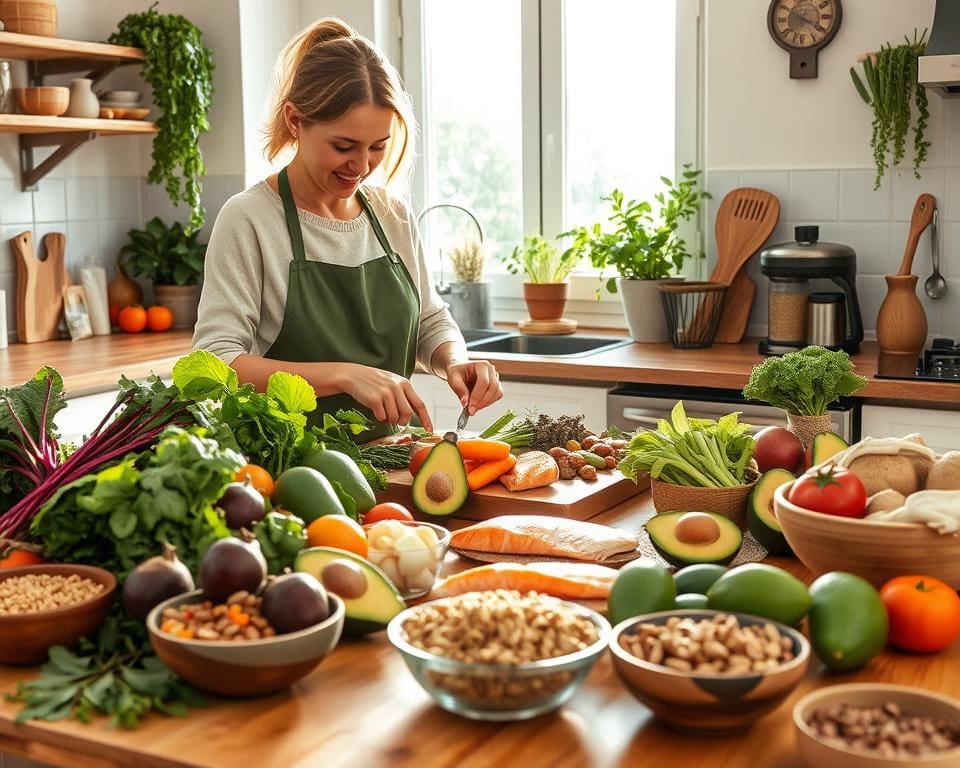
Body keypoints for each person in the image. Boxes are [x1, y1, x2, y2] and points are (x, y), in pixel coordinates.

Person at [193, 17, 502, 438]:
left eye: (378, 147)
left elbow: (430, 320)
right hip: (290, 468)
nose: (361, 167)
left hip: (394, 460)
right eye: (343, 147)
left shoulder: (391, 214)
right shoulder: (249, 219)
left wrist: (454, 359)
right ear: (295, 121)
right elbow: (215, 362)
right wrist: (343, 376)